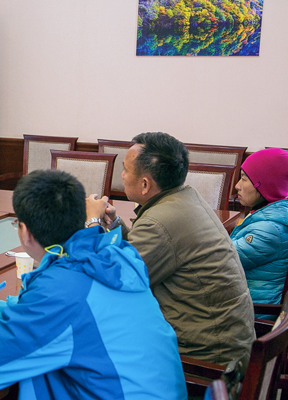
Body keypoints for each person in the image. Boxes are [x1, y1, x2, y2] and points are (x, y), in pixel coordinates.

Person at [0, 169, 187, 400]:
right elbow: (81, 312)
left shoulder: (58, 288)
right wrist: (7, 310)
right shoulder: (119, 256)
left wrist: (12, 318)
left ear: (26, 232)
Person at [86, 132, 255, 366]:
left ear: (145, 184)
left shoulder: (160, 222)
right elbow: (140, 254)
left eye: (125, 170)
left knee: (87, 347)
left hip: (205, 359)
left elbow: (111, 282)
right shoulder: (185, 198)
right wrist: (113, 224)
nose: (122, 176)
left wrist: (92, 223)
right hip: (223, 342)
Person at [230, 148, 288, 306]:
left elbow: (221, 259)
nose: (237, 185)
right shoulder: (281, 211)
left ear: (264, 186)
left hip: (252, 308)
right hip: (249, 296)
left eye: (244, 179)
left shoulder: (271, 229)